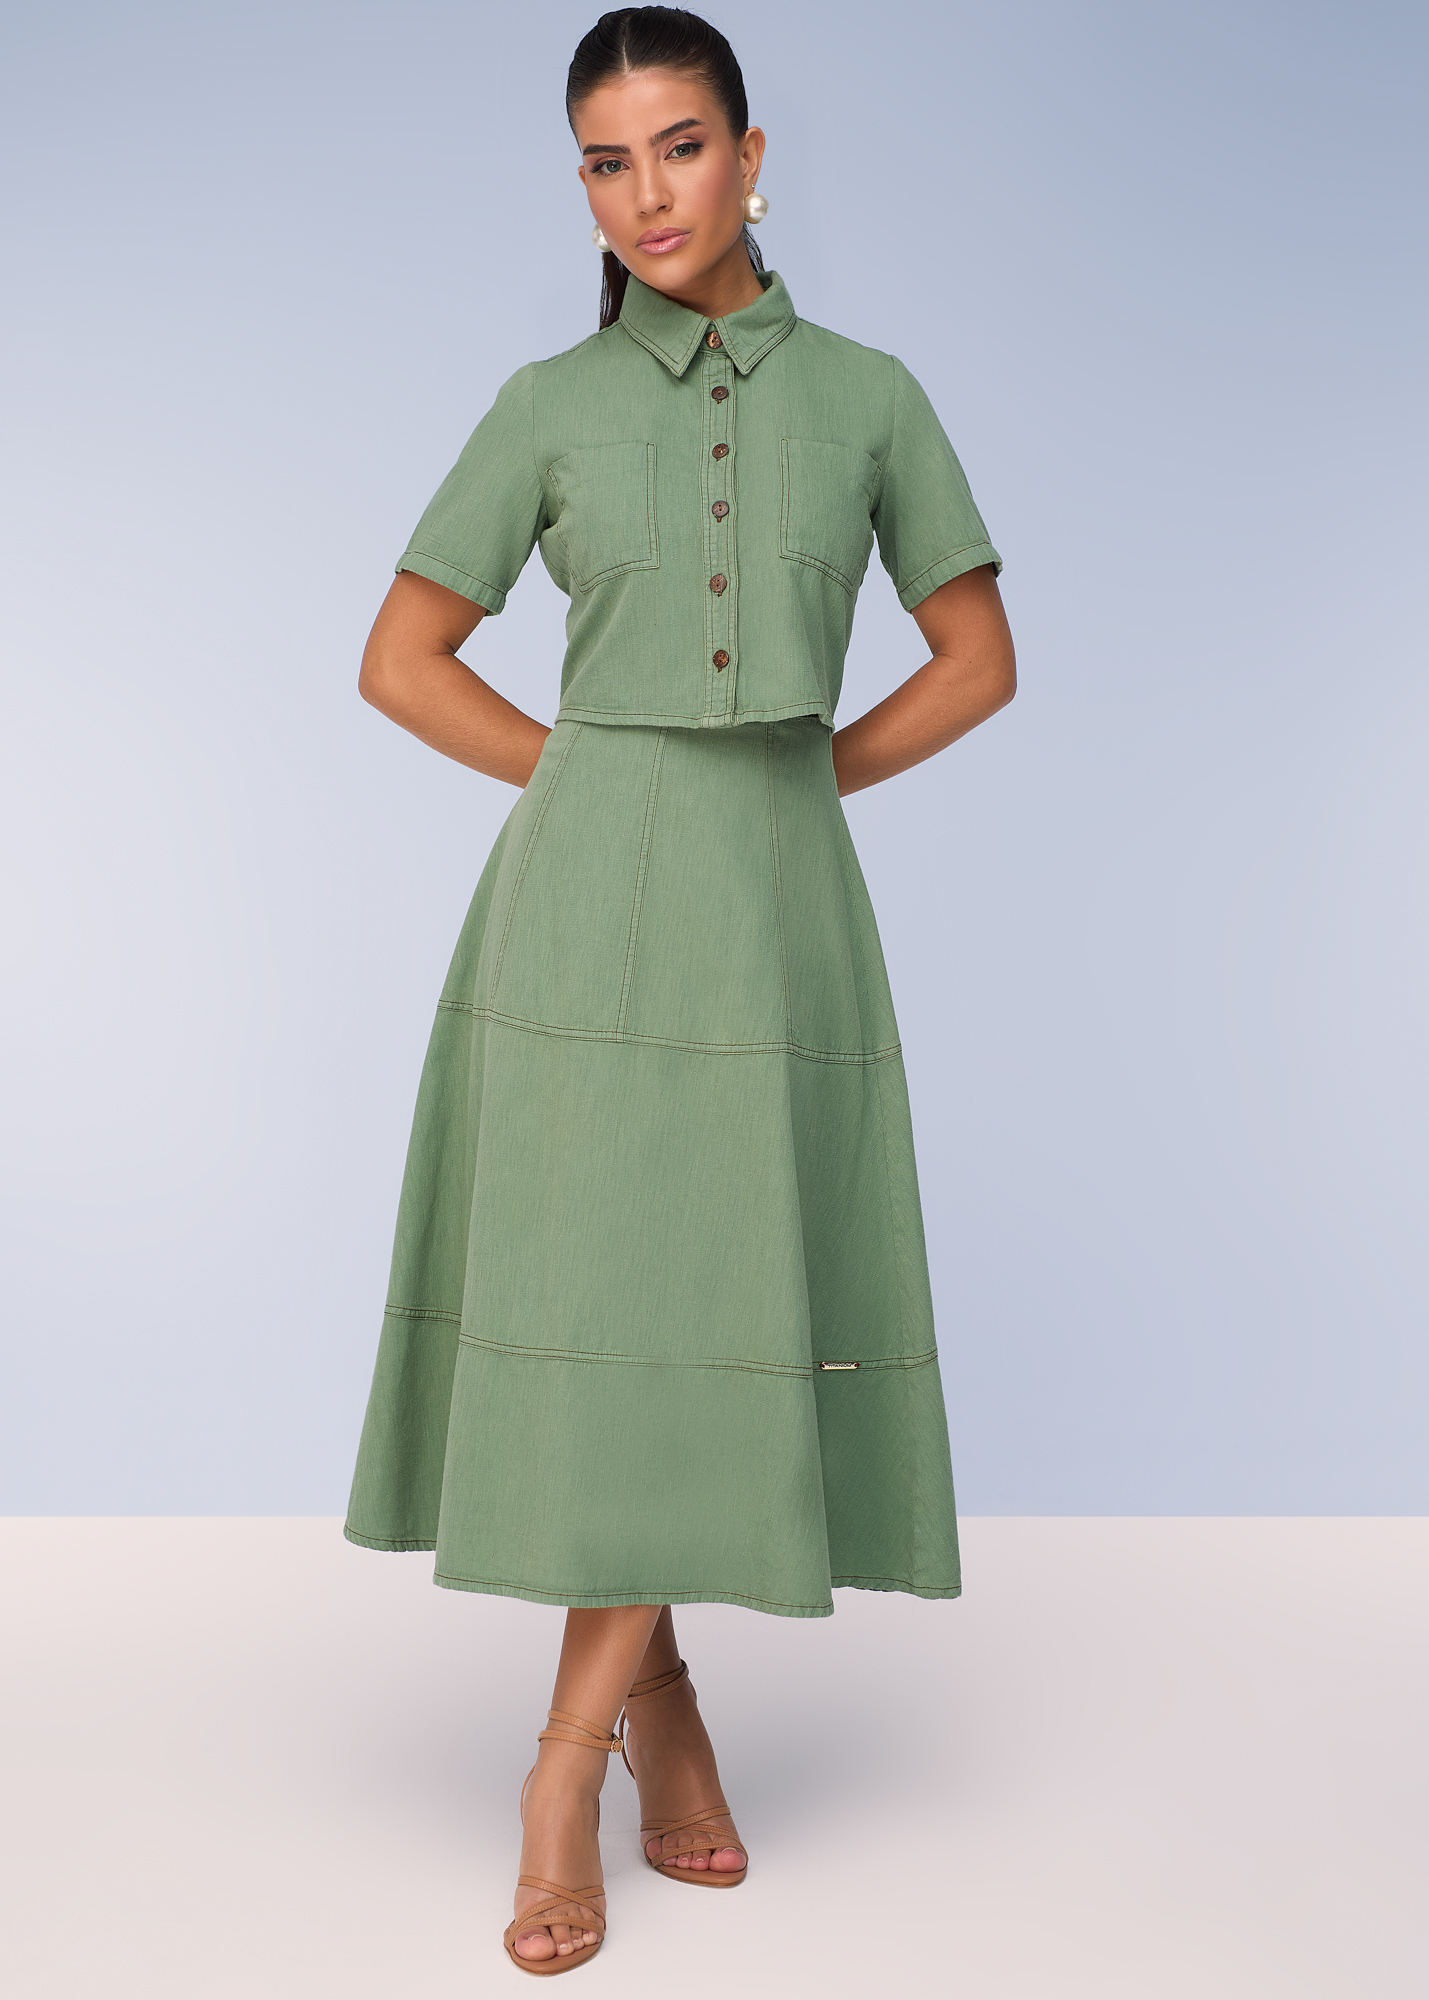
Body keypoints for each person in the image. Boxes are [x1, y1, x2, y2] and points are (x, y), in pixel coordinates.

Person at [343, 5, 1015, 1975]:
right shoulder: (547, 402)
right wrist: (586, 776)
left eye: (681, 145)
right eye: (605, 160)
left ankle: (617, 1725)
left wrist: (805, 781)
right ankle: (598, 1751)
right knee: (614, 1308)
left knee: (719, 1299)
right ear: (582, 185)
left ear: (751, 155)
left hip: (777, 899)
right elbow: (399, 658)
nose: (646, 193)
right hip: (580, 902)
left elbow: (976, 658)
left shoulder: (872, 396)